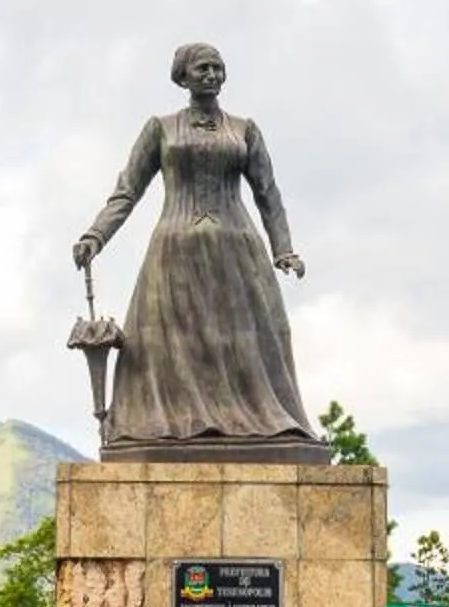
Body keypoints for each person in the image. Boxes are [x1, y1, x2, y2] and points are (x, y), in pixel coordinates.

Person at [71, 42, 319, 448]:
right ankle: (171, 422)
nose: (211, 75)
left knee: (247, 339)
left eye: (217, 68)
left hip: (237, 253)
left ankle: (254, 421)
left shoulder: (244, 129)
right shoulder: (161, 128)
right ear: (182, 77)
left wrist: (284, 250)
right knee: (170, 343)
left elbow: (268, 194)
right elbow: (127, 191)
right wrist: (95, 236)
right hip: (174, 253)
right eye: (202, 68)